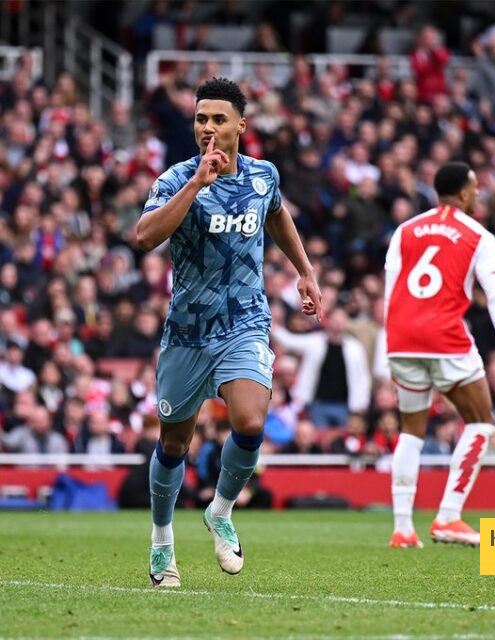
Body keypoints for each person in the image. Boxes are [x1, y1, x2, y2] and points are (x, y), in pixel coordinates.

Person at [136, 77, 322, 587]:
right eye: (201, 119)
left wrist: (304, 270)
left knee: (249, 420)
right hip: (188, 333)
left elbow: (278, 216)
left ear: (242, 124)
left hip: (245, 324)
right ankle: (161, 541)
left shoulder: (264, 176)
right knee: (174, 444)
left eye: (219, 119)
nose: (208, 128)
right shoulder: (176, 179)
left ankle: (220, 510)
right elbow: (145, 236)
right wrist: (198, 182)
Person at [384, 162, 495, 548]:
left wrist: (389, 346)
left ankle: (402, 529)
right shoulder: (479, 236)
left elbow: (391, 289)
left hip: (402, 338)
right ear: (462, 193)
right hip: (444, 337)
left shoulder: (405, 230)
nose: (478, 195)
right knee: (481, 421)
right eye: (475, 188)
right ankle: (448, 516)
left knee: (412, 428)